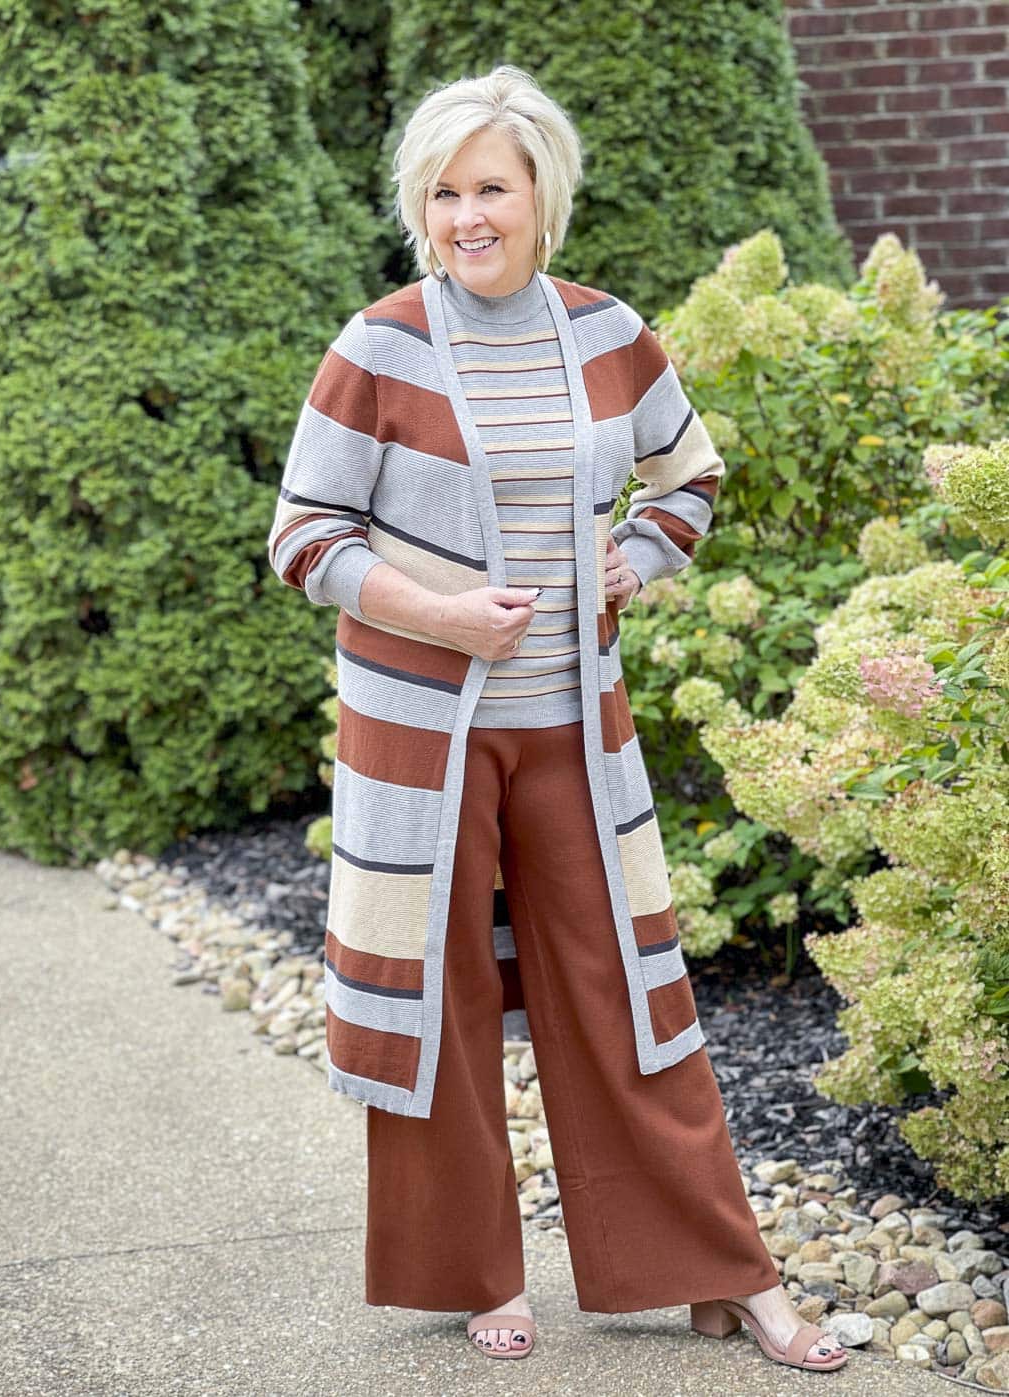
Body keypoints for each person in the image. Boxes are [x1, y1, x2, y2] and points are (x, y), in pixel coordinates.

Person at [268, 64, 848, 1373]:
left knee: (629, 989)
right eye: (445, 190)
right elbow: (304, 534)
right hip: (424, 733)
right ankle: (473, 1268)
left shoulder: (605, 333)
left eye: (492, 187)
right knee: (441, 991)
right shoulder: (379, 345)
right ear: (424, 207)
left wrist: (636, 558)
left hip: (574, 730)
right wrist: (440, 612)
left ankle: (720, 1269)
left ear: (542, 198)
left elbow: (688, 473)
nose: (468, 213)